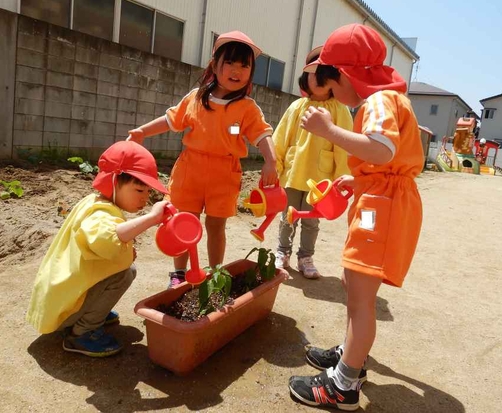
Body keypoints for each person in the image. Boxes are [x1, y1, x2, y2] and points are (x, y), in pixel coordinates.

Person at [287, 24, 424, 410]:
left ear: (345, 75)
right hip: (382, 197)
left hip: (383, 207)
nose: (334, 95)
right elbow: (384, 158)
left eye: (332, 85)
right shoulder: (391, 99)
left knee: (361, 300)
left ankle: (344, 383)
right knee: (353, 283)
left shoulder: (377, 102)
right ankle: (352, 354)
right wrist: (357, 175)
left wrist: (329, 129)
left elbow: (381, 150)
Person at [127, 31, 278, 287]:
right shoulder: (196, 98)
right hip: (190, 169)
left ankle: (215, 273)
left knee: (216, 227)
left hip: (225, 173)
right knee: (183, 222)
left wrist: (270, 161)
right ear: (214, 65)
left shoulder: (247, 107)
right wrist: (142, 131)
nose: (236, 70)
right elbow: (170, 120)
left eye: (244, 65)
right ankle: (178, 273)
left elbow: (262, 134)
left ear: (251, 72)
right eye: (230, 62)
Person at [26, 141, 170, 357]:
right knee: (124, 275)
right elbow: (107, 237)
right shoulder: (100, 214)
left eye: (148, 191)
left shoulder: (93, 202)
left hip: (59, 301)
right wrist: (152, 218)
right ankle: (82, 332)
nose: (145, 197)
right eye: (139, 189)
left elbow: (101, 248)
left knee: (124, 269)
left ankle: (89, 312)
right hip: (63, 311)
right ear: (113, 181)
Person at [272, 46, 352, 278]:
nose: (317, 79)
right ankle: (282, 252)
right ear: (304, 77)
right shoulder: (297, 107)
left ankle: (305, 257)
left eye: (324, 74)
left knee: (311, 221)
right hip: (292, 173)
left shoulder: (340, 110)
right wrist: (275, 167)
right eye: (312, 73)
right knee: (287, 216)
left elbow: (344, 145)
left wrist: (341, 178)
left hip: (321, 180)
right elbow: (280, 139)